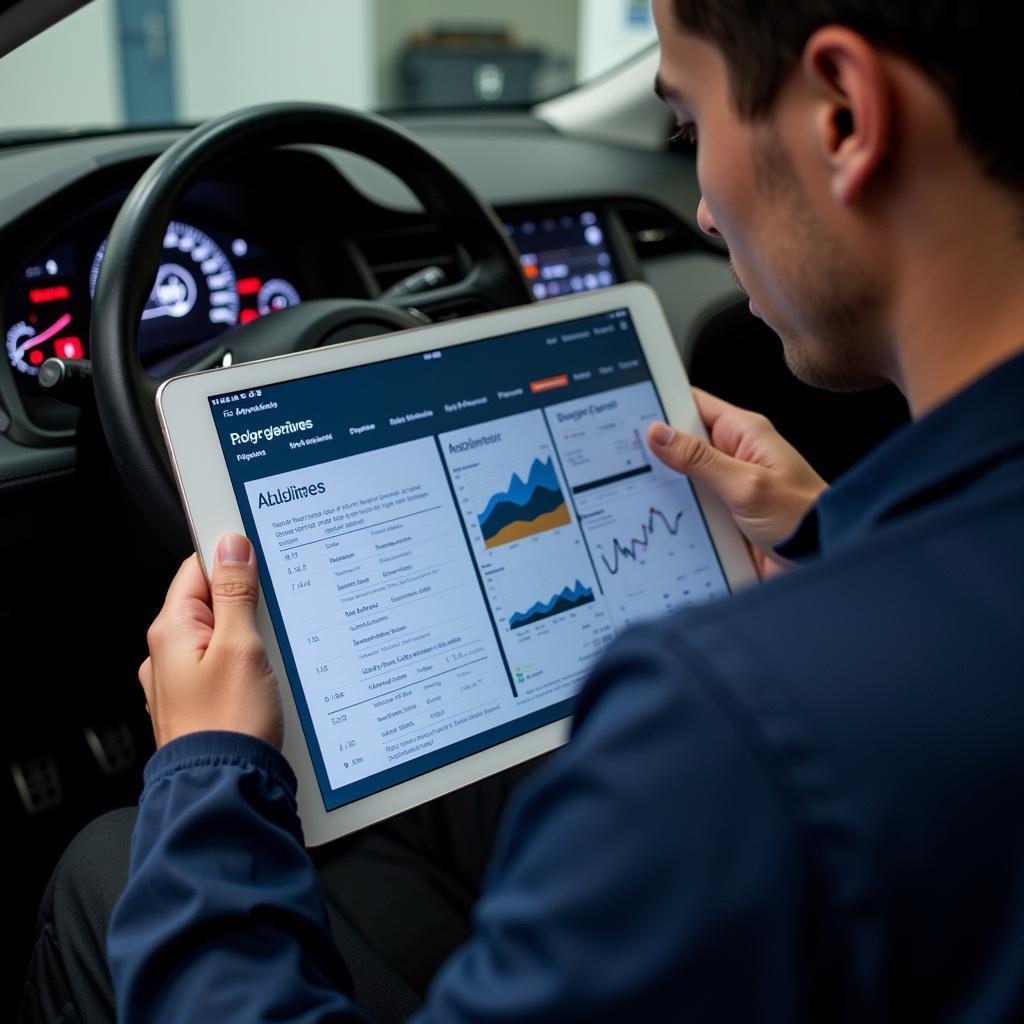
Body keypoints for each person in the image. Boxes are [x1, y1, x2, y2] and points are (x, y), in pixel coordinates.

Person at [23, 0, 1024, 1019]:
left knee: (107, 861)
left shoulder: (732, 724)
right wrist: (833, 542)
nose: (705, 211)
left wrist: (205, 773)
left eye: (690, 129)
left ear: (843, 115)